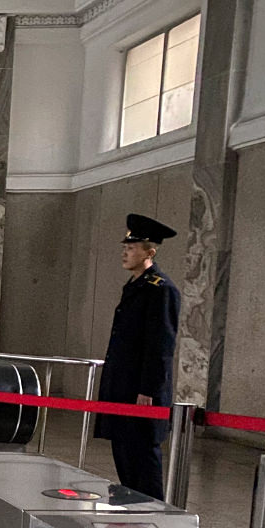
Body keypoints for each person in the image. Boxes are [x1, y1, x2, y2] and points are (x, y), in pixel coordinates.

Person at [94, 214, 181, 501]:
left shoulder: (161, 290)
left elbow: (160, 347)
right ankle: (131, 511)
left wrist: (148, 390)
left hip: (140, 393)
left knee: (142, 461)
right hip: (122, 387)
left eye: (132, 247)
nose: (125, 251)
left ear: (150, 252)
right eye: (125, 246)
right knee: (124, 456)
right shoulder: (136, 287)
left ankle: (153, 517)